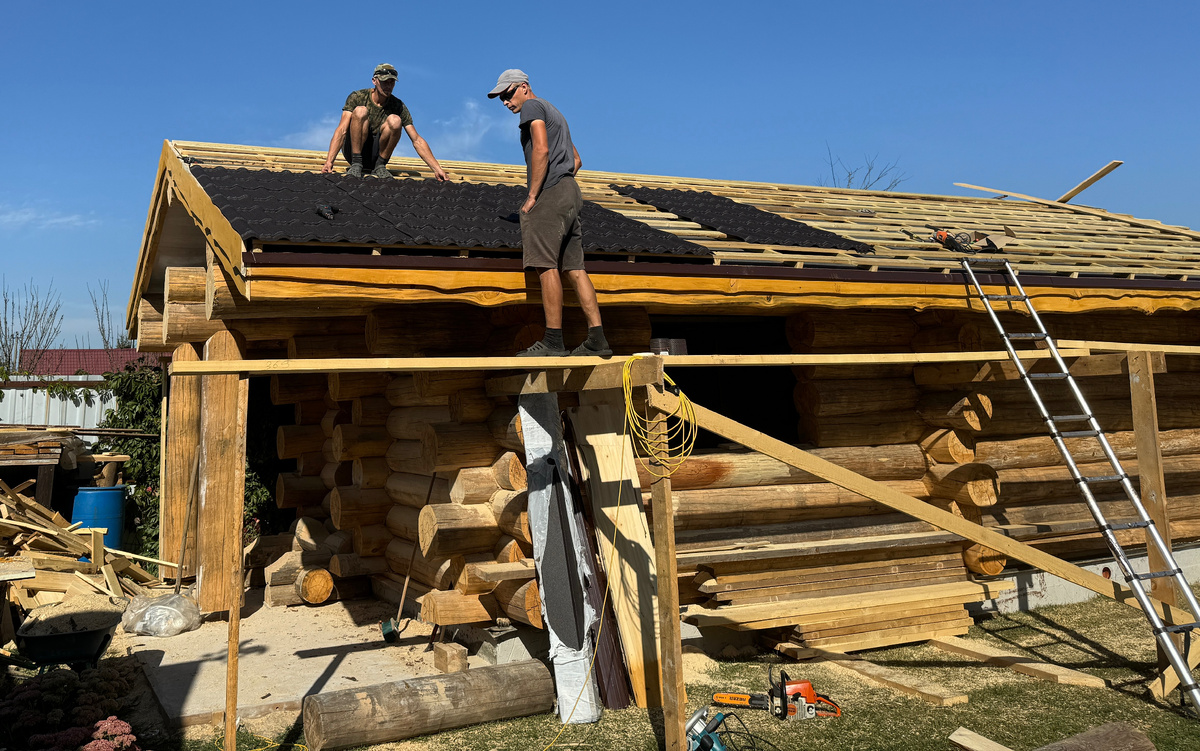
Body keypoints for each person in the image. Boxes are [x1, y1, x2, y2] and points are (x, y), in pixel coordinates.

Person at [488, 69, 610, 357]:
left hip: (551, 192)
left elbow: (541, 150)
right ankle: (597, 340)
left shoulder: (532, 106)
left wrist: (533, 196)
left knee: (546, 266)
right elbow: (576, 159)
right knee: (575, 269)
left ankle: (553, 342)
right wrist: (562, 180)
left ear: (524, 87)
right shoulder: (556, 113)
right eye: (501, 98)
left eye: (508, 94)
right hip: (570, 192)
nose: (505, 102)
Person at [322, 63, 447, 180]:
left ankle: (380, 166)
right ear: (374, 81)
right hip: (354, 152)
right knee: (360, 111)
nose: (388, 86)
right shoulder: (358, 97)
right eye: (384, 82)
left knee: (395, 120)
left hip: (376, 157)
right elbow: (342, 130)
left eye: (391, 82)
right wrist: (329, 161)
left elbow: (416, 140)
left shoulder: (397, 105)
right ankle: (357, 163)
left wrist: (437, 169)